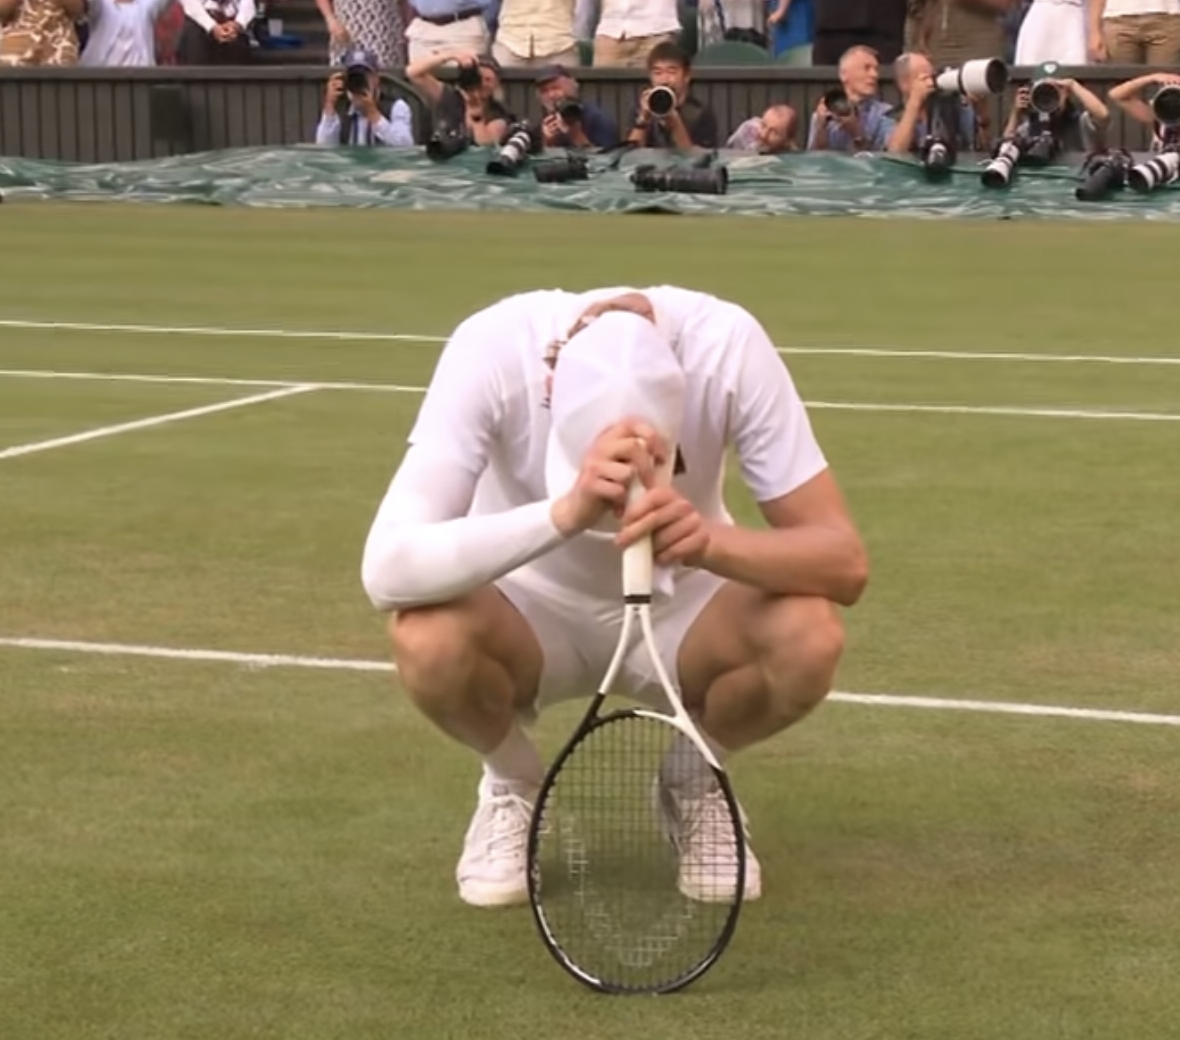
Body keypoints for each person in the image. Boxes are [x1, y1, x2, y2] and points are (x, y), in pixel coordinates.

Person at [361, 288, 869, 909]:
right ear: (550, 381)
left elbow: (843, 563)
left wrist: (708, 543)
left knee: (808, 635)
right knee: (427, 636)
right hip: (528, 611)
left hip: (688, 611)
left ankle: (694, 777)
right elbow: (386, 569)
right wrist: (564, 513)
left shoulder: (728, 345)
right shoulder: (492, 347)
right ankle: (512, 780)